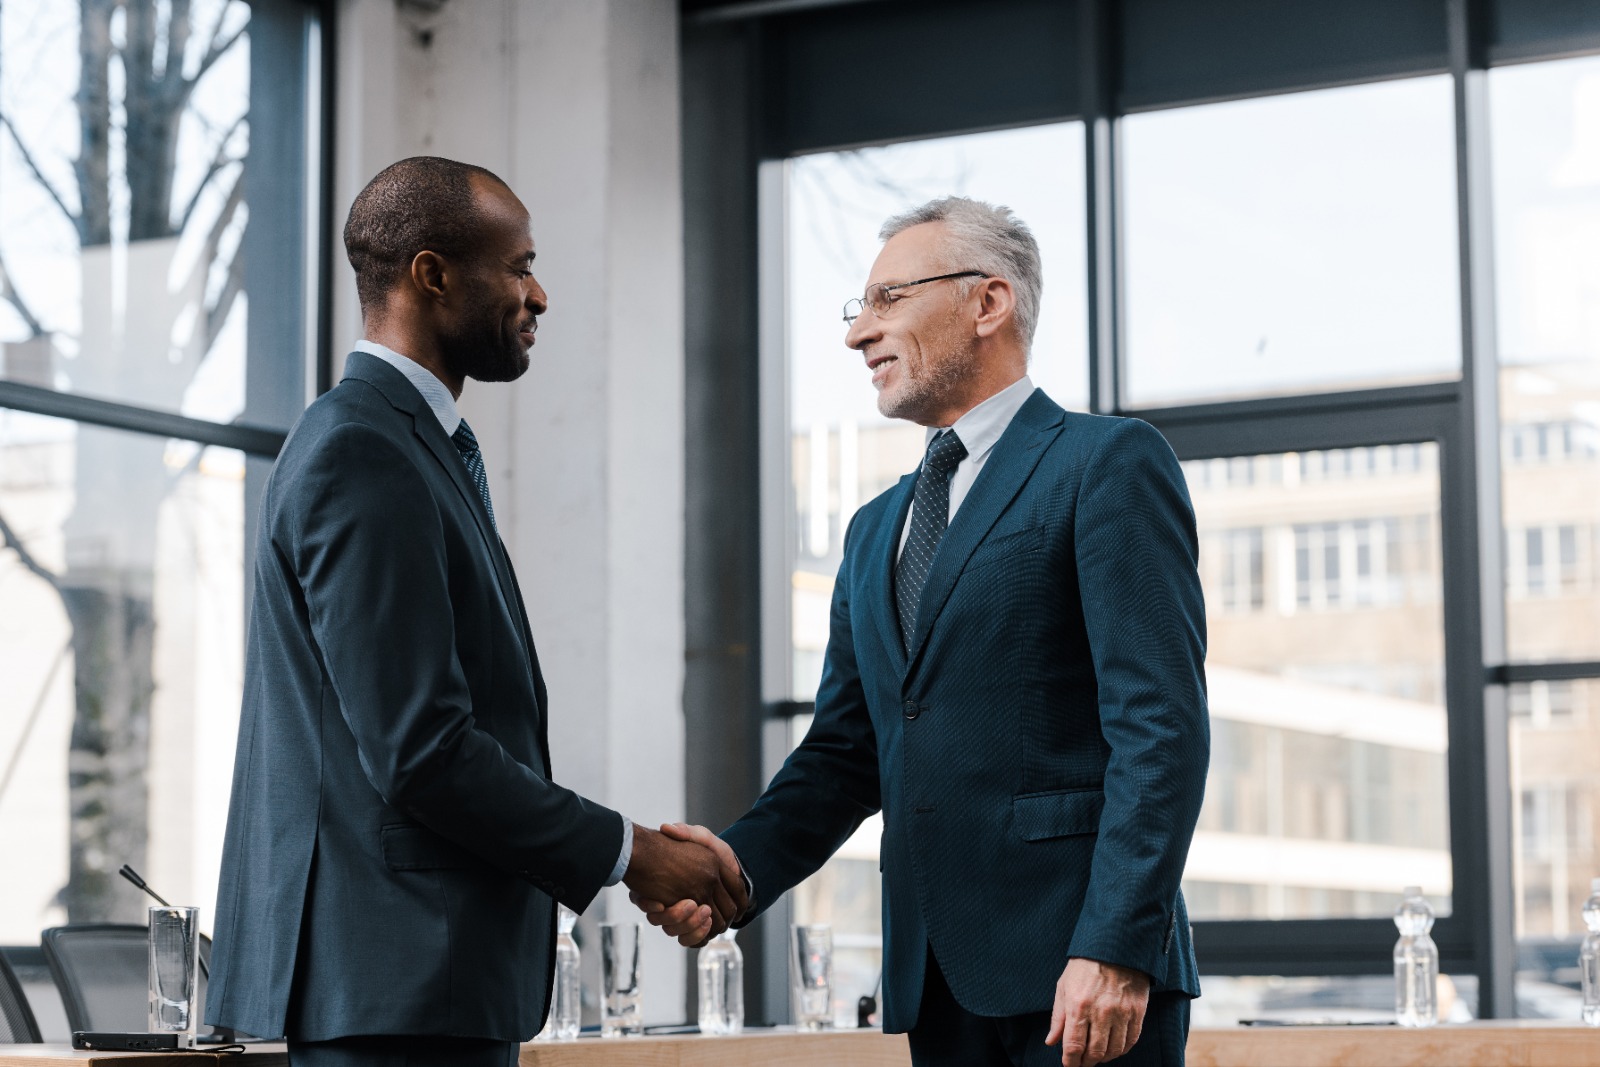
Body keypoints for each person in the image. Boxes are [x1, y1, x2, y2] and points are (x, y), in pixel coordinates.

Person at [204, 156, 746, 1067]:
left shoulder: (408, 444)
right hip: (395, 993)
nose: (539, 295)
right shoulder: (361, 450)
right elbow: (422, 751)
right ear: (432, 273)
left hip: (420, 991)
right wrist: (631, 853)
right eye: (520, 265)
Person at [643, 197, 1208, 1067]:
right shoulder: (877, 528)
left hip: (1083, 979)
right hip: (937, 985)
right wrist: (736, 872)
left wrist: (1116, 944)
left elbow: (1161, 729)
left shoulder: (1105, 463)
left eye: (888, 300)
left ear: (988, 303)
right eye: (857, 307)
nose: (857, 334)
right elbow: (846, 751)